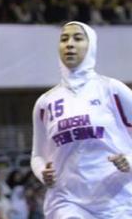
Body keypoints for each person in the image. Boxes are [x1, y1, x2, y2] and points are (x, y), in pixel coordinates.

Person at [30, 21, 132, 218]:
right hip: (67, 201)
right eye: (64, 39)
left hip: (116, 200)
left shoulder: (112, 89)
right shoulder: (45, 103)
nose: (69, 44)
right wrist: (42, 172)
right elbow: (37, 155)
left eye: (77, 38)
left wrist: (130, 159)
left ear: (91, 45)